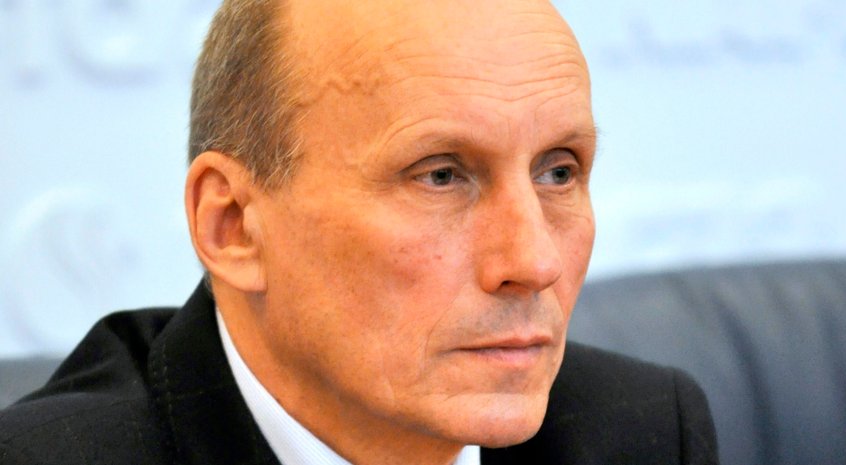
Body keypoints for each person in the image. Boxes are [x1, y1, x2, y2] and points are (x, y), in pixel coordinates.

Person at [0, 1, 719, 464]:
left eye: (558, 171)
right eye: (441, 175)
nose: (534, 262)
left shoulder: (643, 431)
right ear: (234, 226)